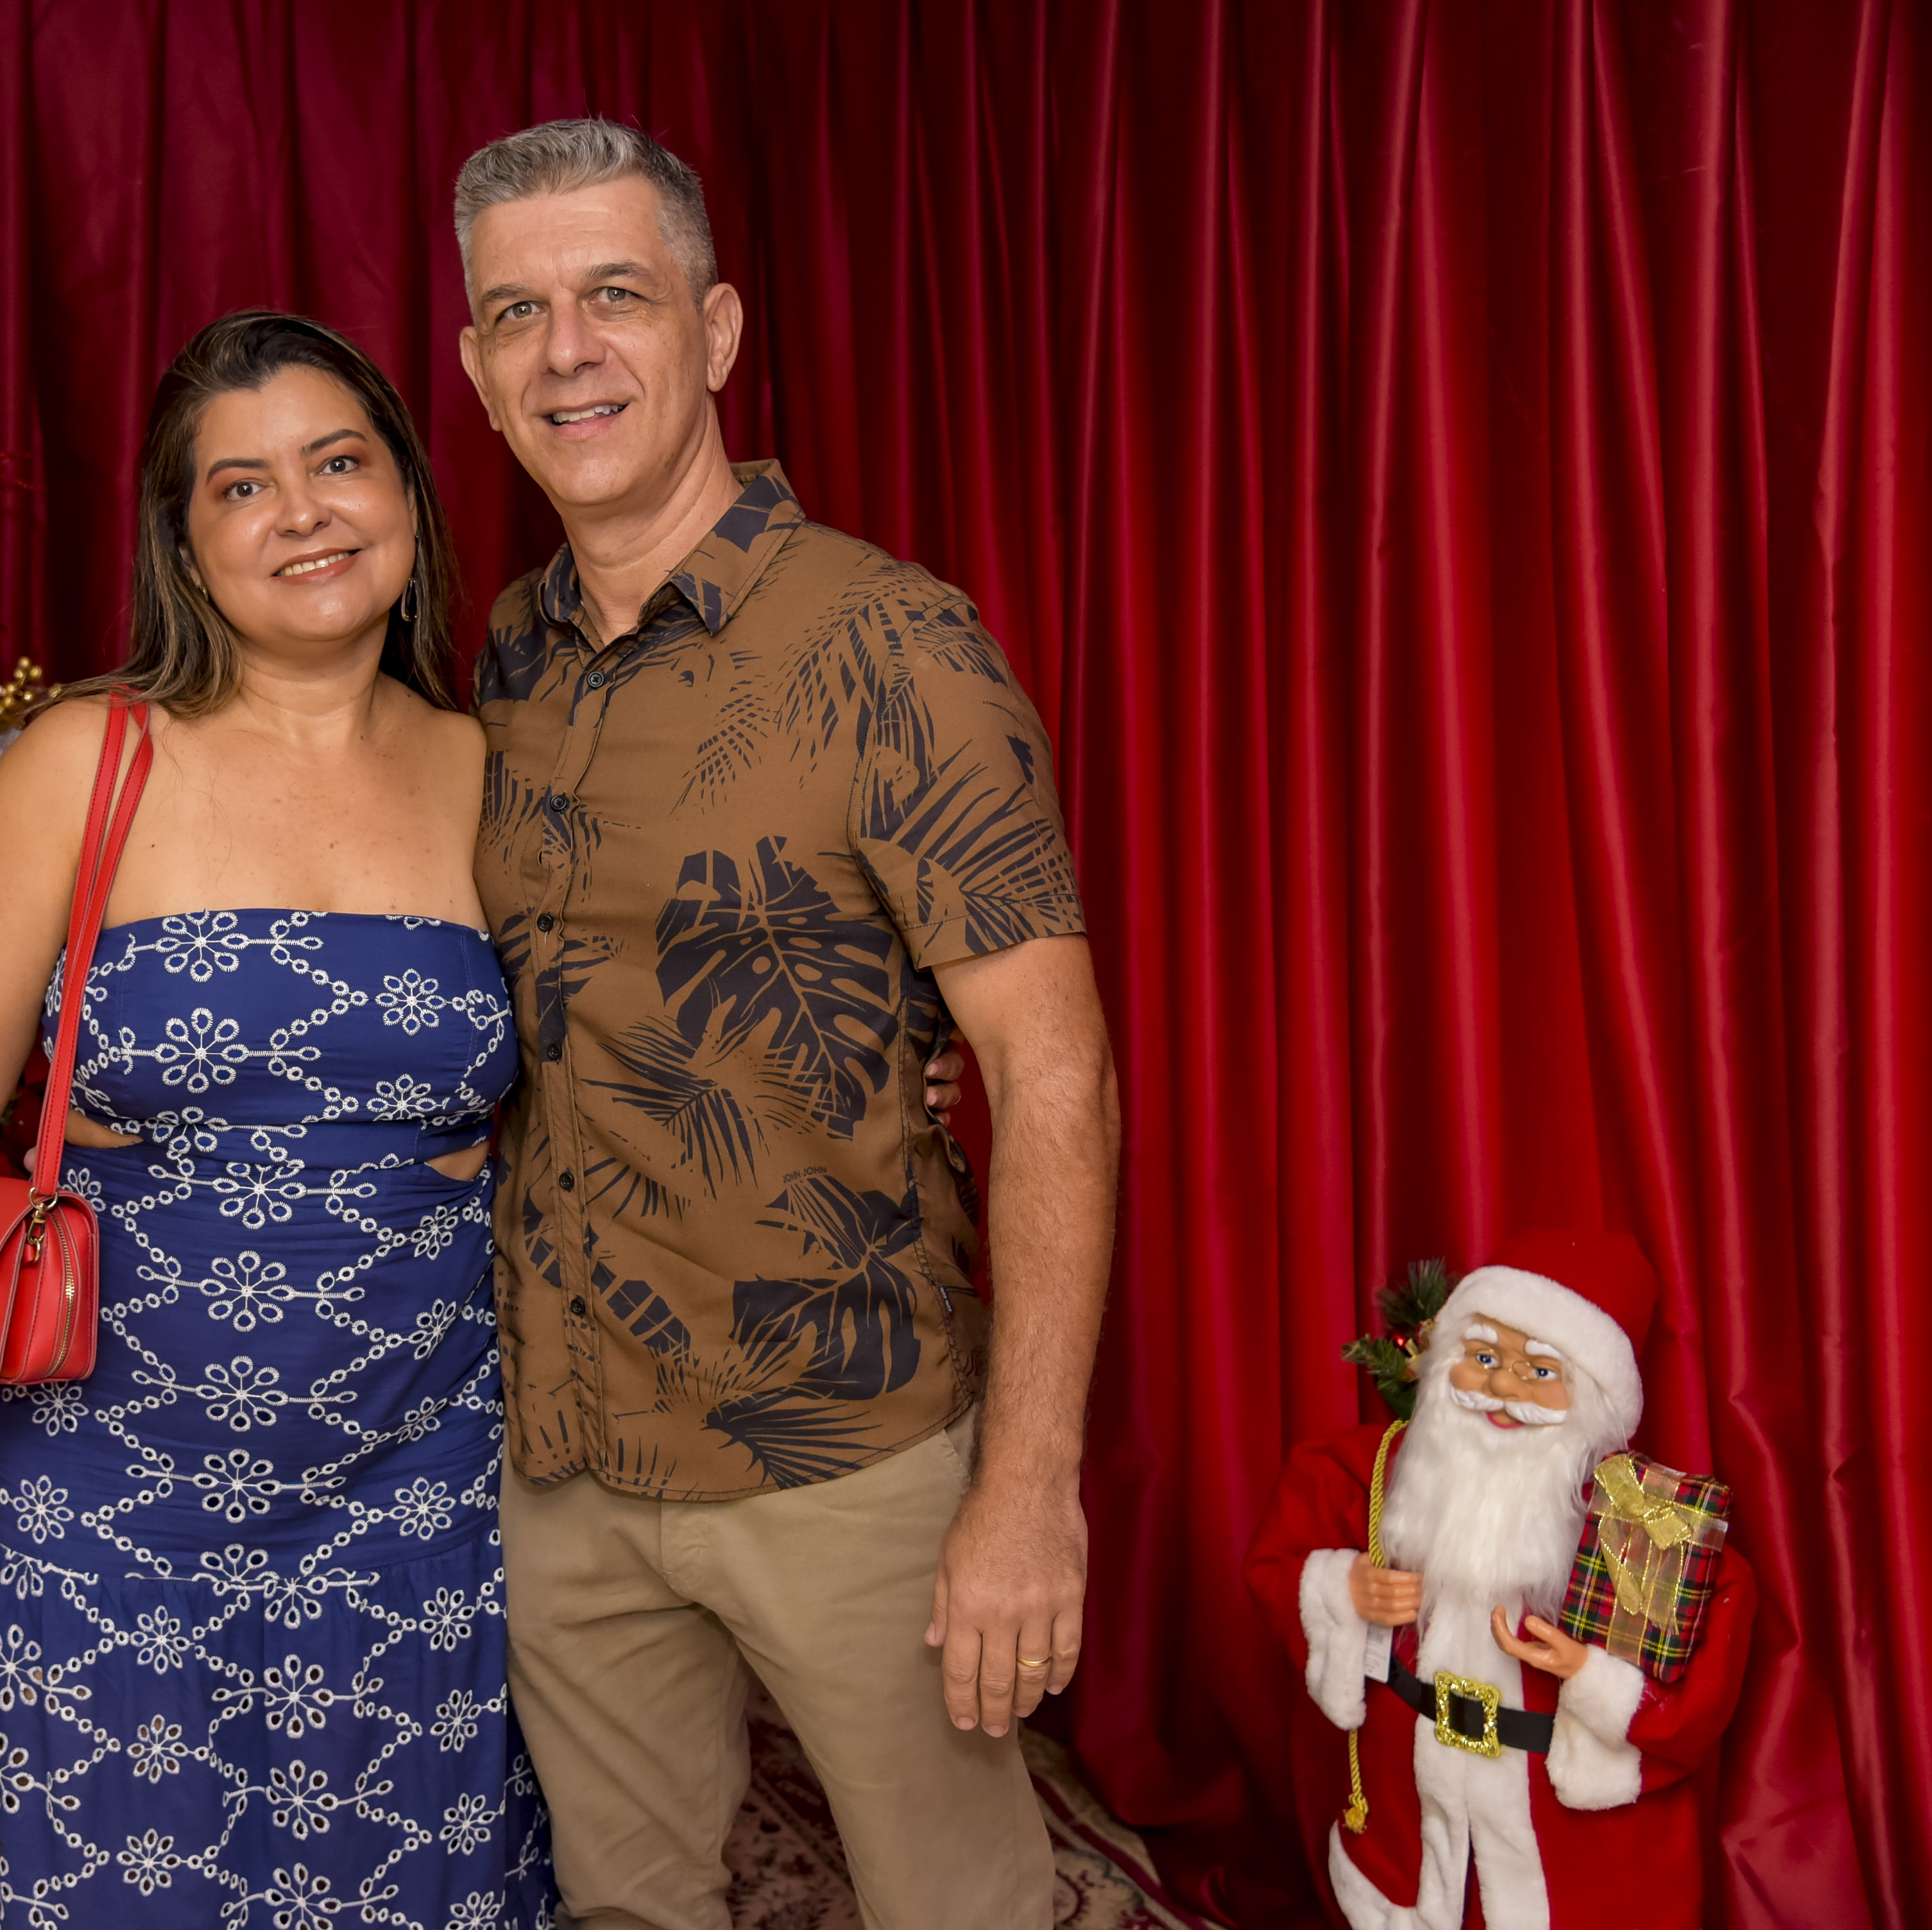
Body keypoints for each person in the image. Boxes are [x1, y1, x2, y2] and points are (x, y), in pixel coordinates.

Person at [450, 120, 1122, 1930]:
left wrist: (1025, 1491)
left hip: (847, 1452)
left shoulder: (895, 647)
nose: (566, 351)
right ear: (478, 374)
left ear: (717, 330)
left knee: (960, 1916)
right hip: (568, 1450)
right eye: (516, 313)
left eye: (614, 295)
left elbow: (1052, 1072)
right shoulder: (504, 658)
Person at [0, 312, 558, 1927]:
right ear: (186, 543)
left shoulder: (494, 771)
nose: (301, 512)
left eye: (338, 461)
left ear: (407, 495)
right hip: (105, 1501)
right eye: (242, 485)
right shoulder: (87, 762)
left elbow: (617, 1041)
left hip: (417, 1489)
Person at [1244, 1231, 1752, 1930]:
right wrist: (1344, 1589)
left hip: (1571, 1845)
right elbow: (1278, 1563)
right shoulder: (1380, 1471)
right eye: (1484, 1358)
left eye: (1539, 1370)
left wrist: (1591, 1675)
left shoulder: (1643, 1525)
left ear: (1594, 1396)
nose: (1505, 1389)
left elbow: (1703, 1679)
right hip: (1407, 1816)